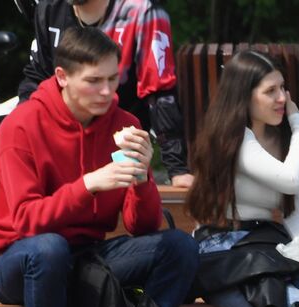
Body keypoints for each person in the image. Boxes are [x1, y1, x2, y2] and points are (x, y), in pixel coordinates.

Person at [0, 26, 194, 307]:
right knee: (49, 249)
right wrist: (88, 186)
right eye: (94, 81)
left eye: (114, 79)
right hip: (15, 258)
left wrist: (144, 176)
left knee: (179, 247)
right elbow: (26, 222)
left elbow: (143, 225)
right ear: (62, 77)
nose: (107, 91)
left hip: (84, 256)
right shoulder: (21, 126)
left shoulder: (124, 122)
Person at [188, 49, 299, 307]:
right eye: (270, 90)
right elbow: (292, 180)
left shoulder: (283, 140)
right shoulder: (233, 139)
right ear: (244, 96)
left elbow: (293, 209)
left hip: (267, 249)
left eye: (283, 87)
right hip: (228, 258)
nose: (282, 98)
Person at [19, 0, 193, 187]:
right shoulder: (49, 8)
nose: (104, 88)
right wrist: (24, 128)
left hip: (117, 139)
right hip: (60, 133)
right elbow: (37, 76)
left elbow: (160, 92)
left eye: (111, 79)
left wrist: (178, 169)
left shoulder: (141, 11)